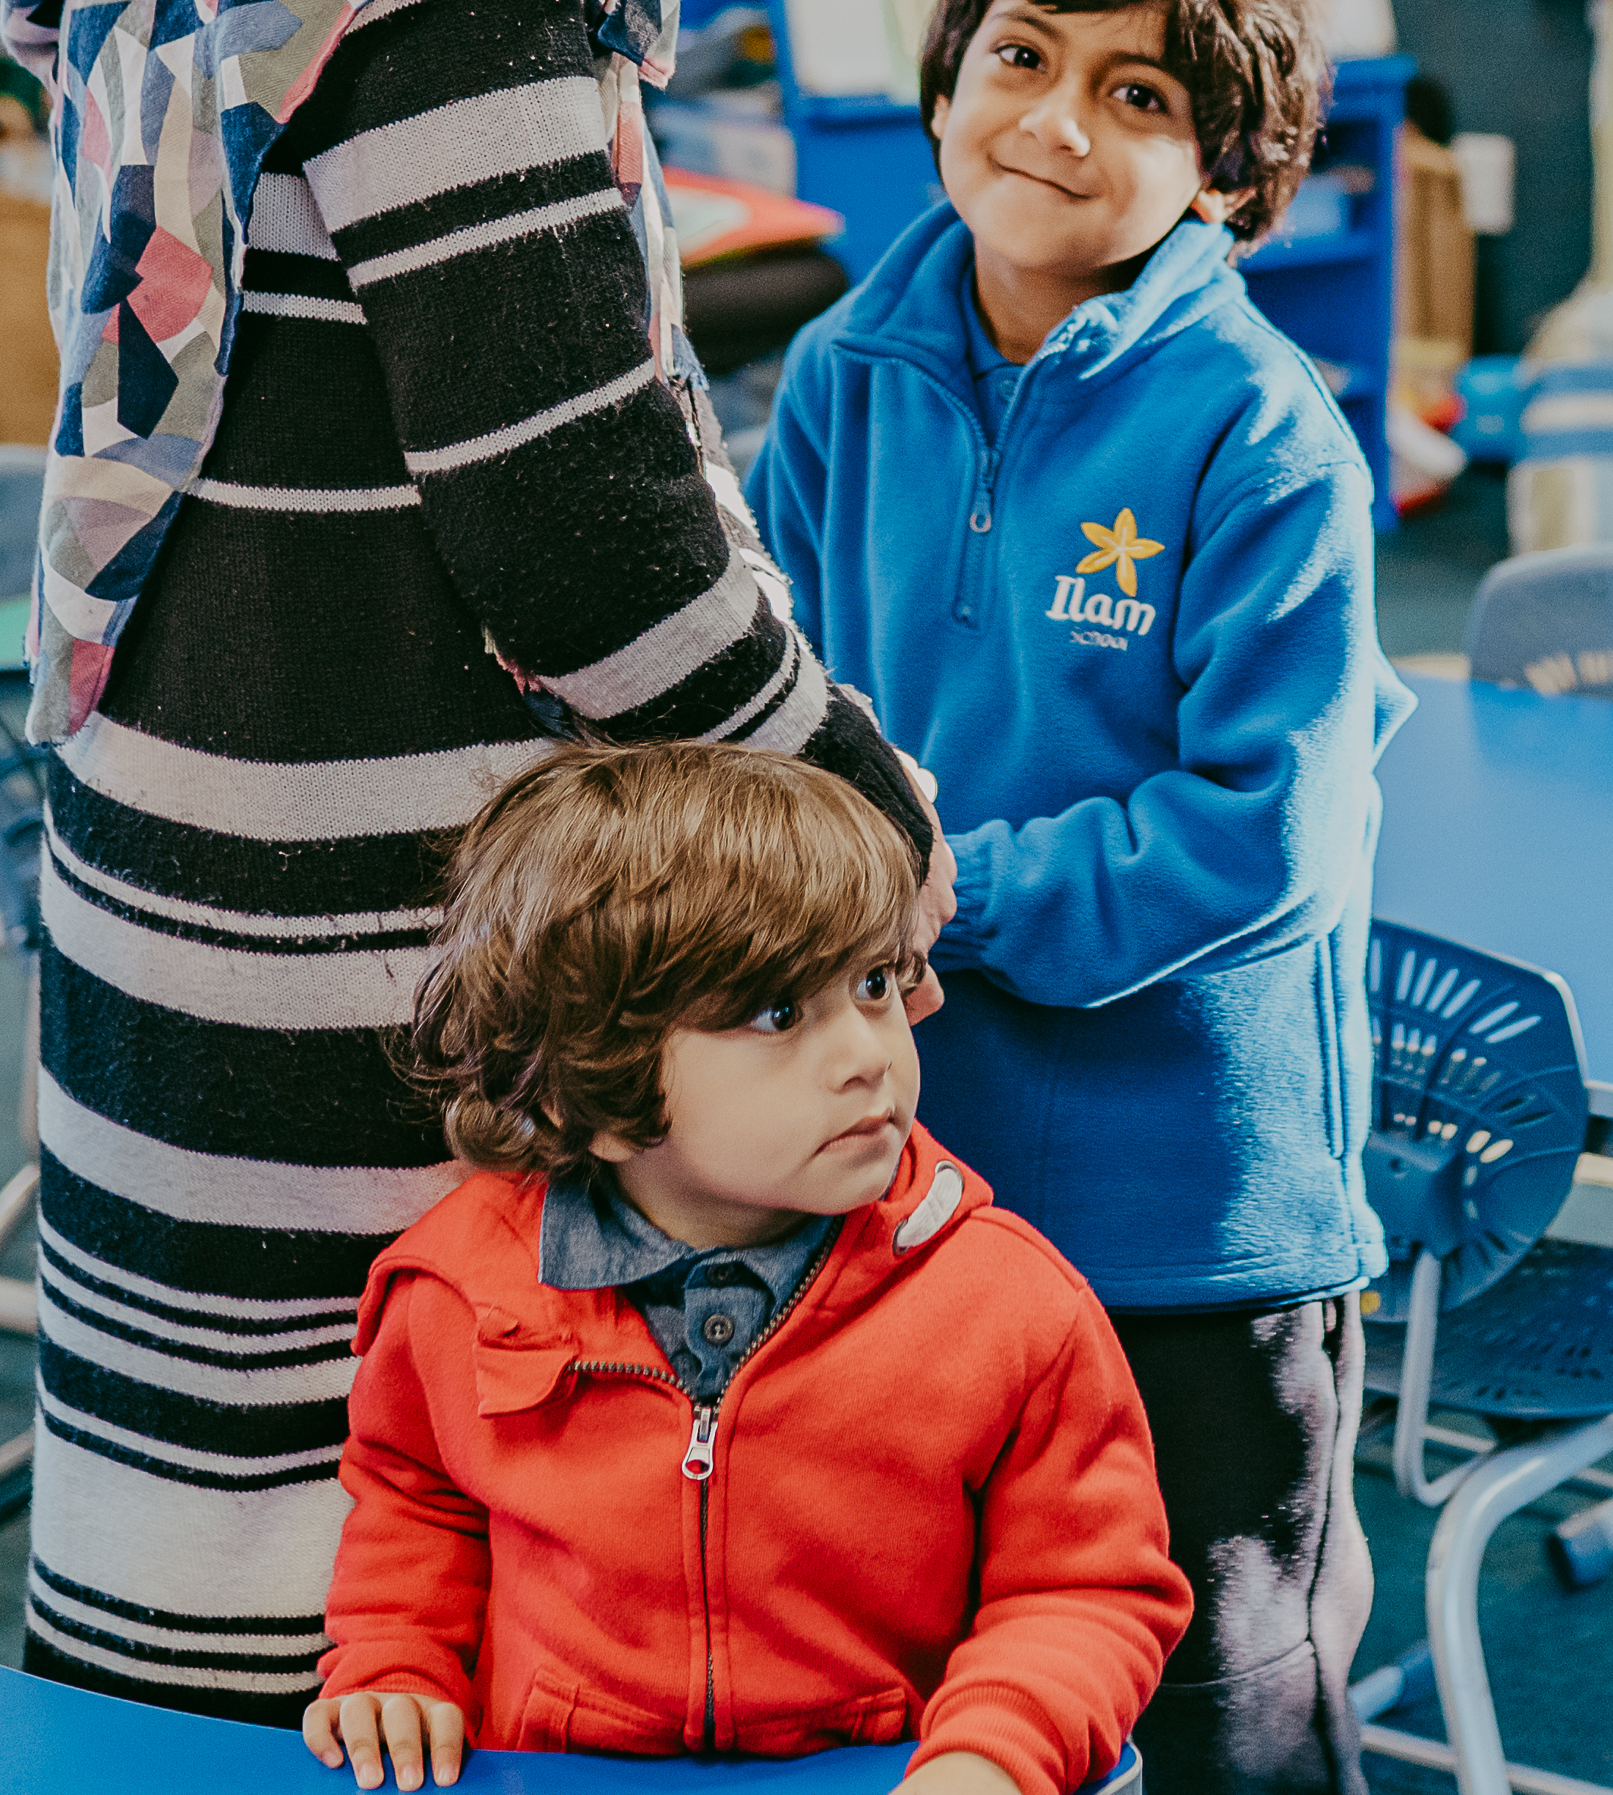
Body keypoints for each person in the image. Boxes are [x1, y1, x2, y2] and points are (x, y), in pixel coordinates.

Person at [0, 0, 930, 1717]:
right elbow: (568, 503)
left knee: (218, 1583)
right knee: (403, 1593)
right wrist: (853, 796)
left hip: (184, 776)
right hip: (377, 876)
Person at [753, 0, 1412, 1795]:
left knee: (1223, 1683)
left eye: (1139, 97)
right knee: (956, 1667)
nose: (1052, 119)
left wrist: (928, 895)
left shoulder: (1261, 431)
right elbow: (778, 726)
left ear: (1223, 173)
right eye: (1021, 57)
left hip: (1188, 1209)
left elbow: (1267, 829)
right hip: (899, 1171)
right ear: (945, 78)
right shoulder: (836, 382)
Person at [311, 743, 1188, 1792]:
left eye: (873, 982)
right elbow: (418, 1496)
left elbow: (1086, 1589)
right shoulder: (457, 1284)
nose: (868, 1050)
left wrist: (990, 1756)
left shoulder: (1011, 1305)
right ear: (584, 1069)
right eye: (777, 1012)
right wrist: (394, 1657)